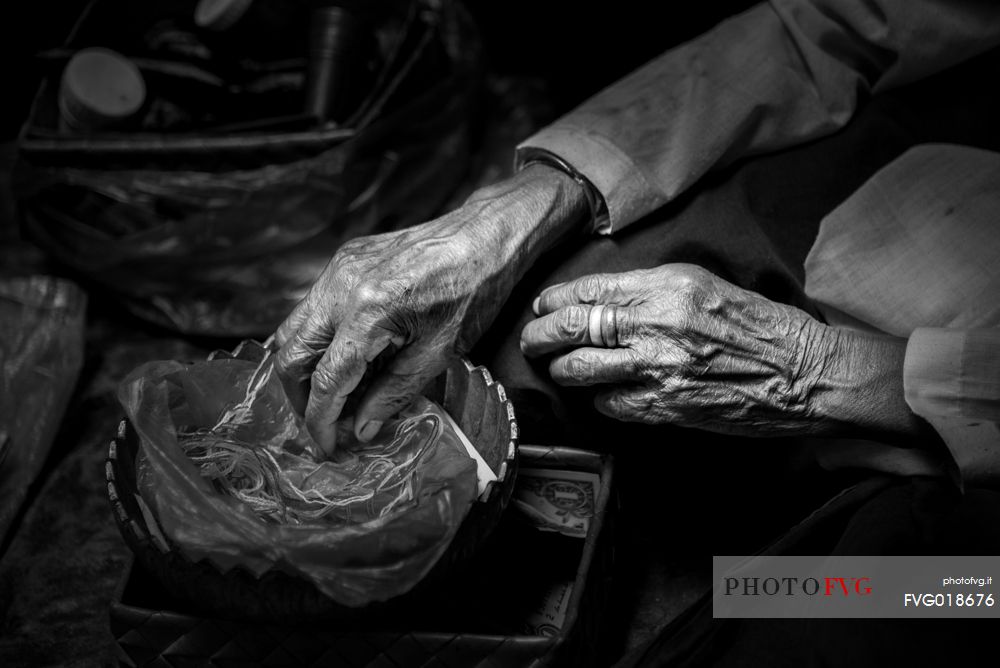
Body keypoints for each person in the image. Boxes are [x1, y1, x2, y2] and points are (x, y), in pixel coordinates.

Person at [273, 1, 1000, 664]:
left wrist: (837, 373)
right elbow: (832, 25)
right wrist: (522, 207)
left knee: (826, 618)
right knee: (498, 356)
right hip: (953, 182)